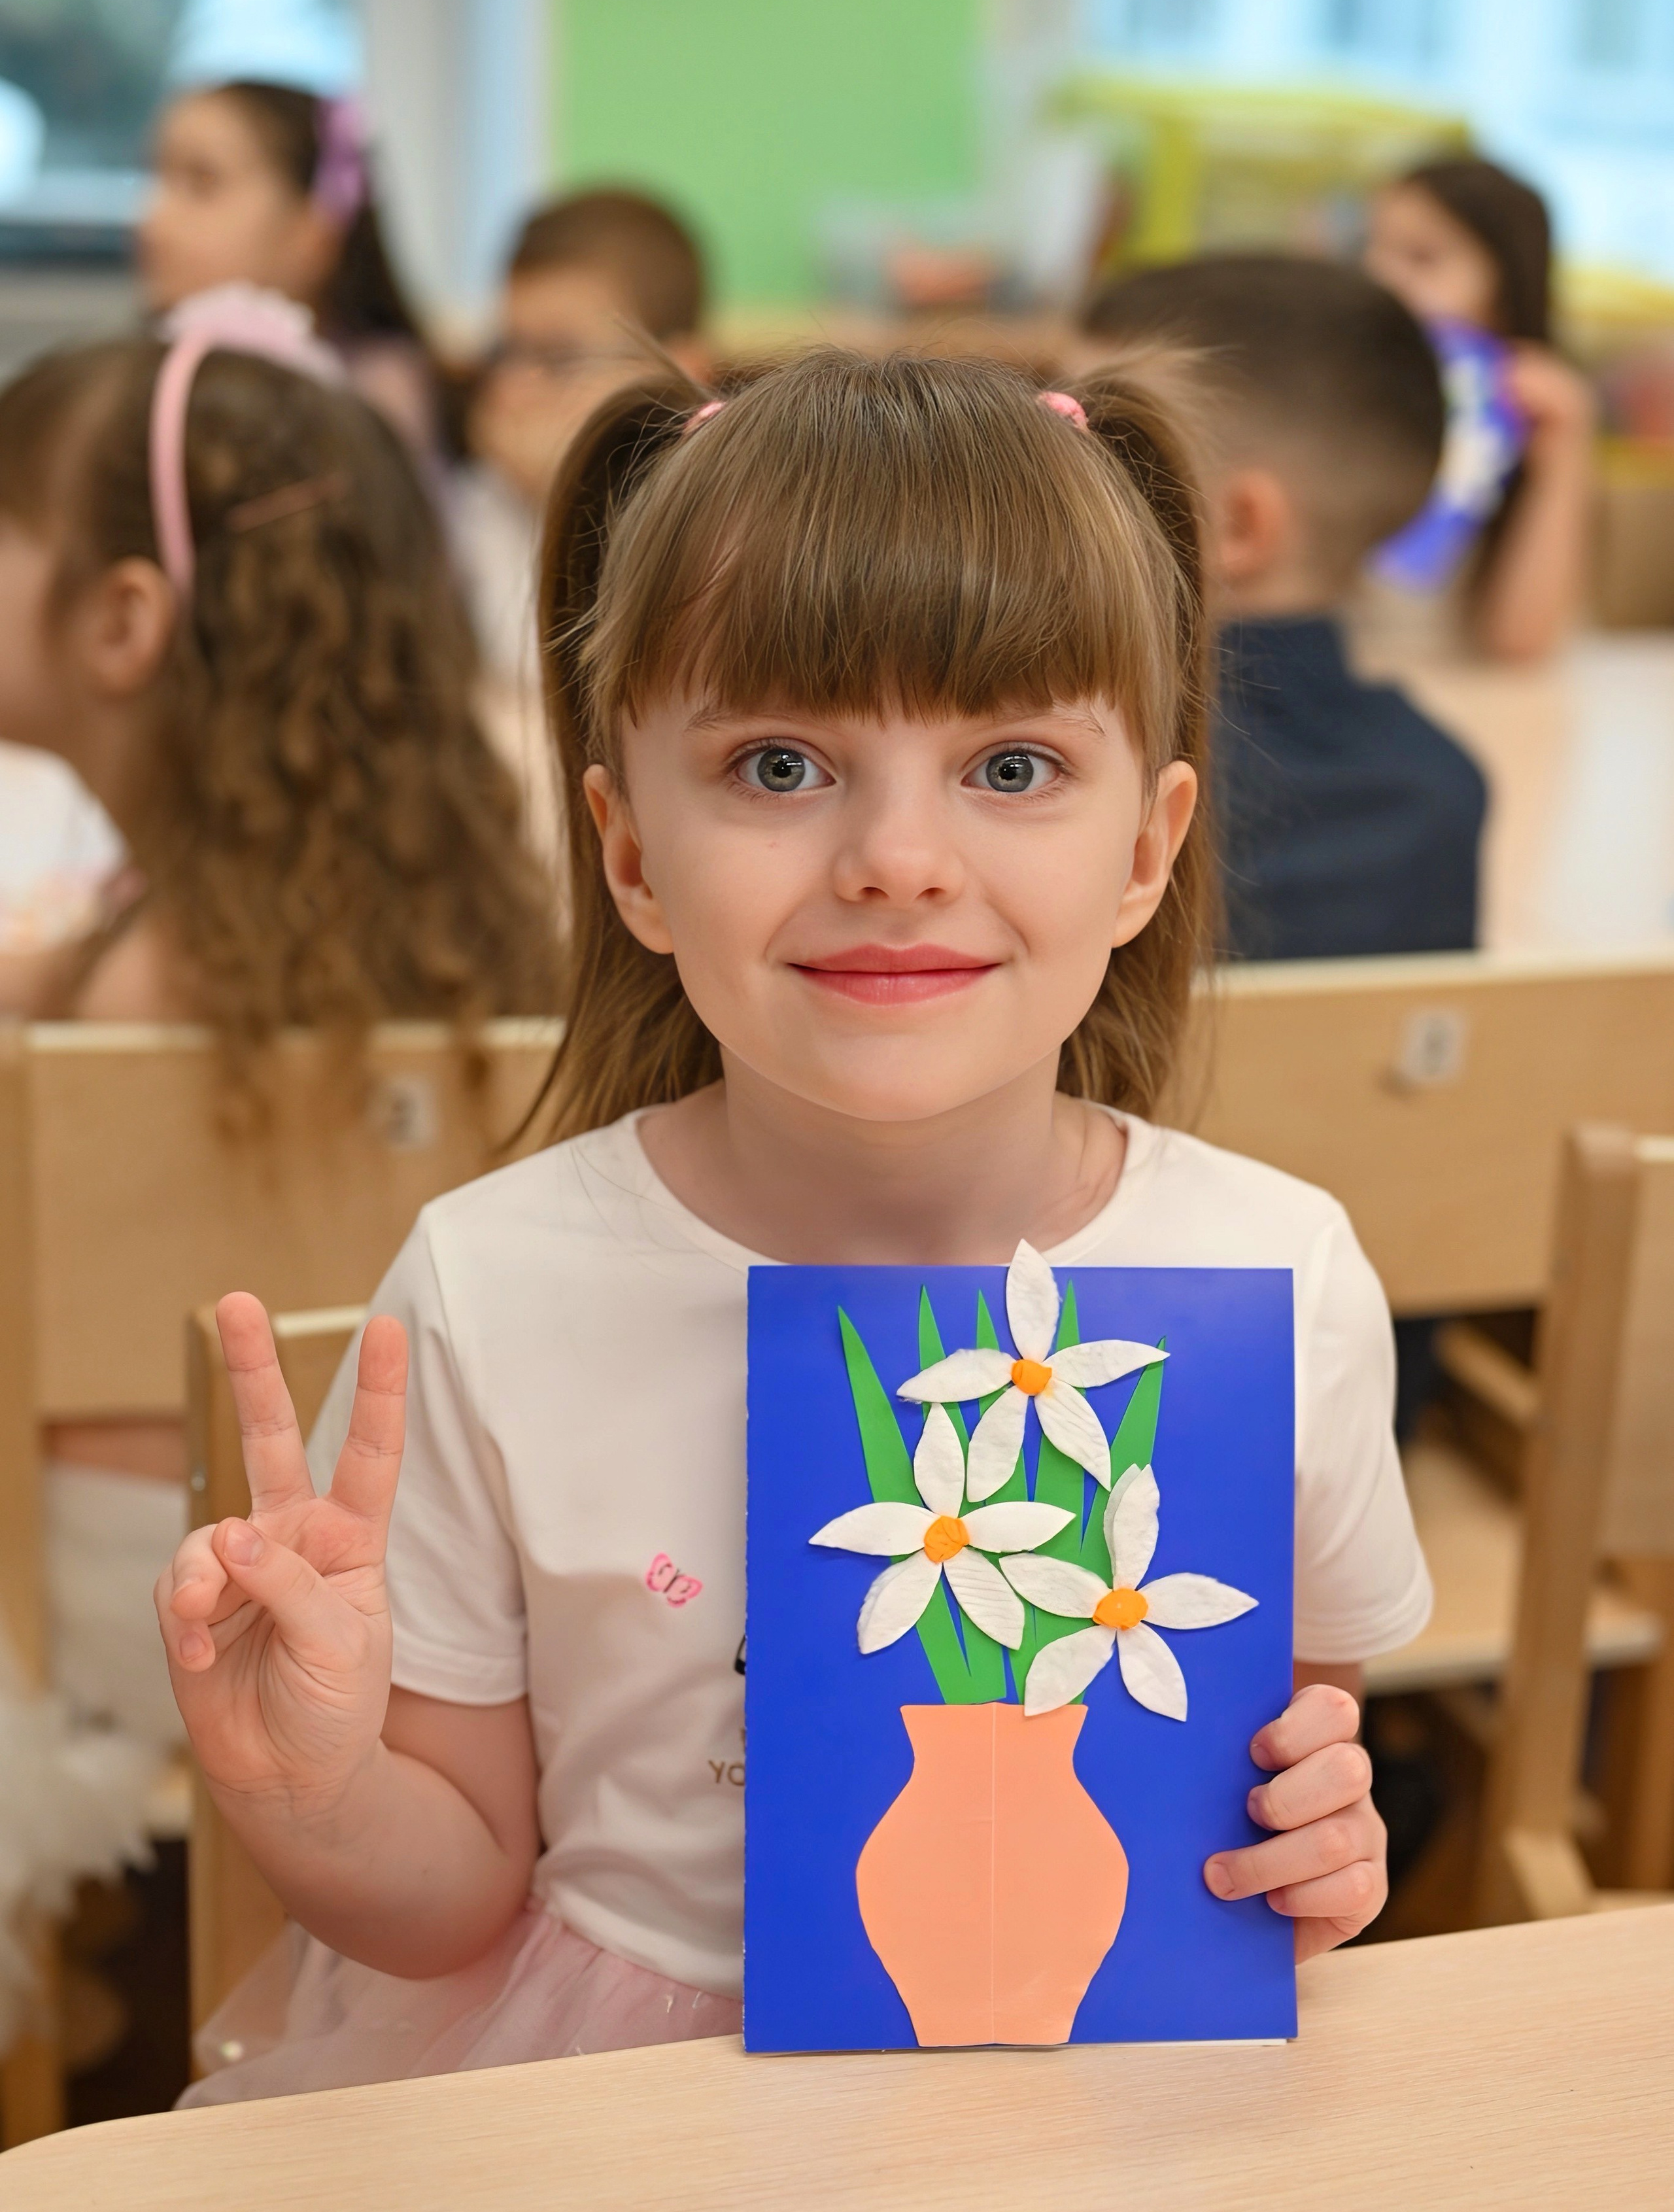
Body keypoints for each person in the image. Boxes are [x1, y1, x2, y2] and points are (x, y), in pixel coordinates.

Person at [157, 349, 1431, 2105]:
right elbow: (447, 1896)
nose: (897, 857)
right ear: (629, 853)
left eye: (1009, 765)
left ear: (1149, 844)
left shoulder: (1277, 1280)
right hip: (625, 2110)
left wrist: (1318, 1854)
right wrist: (308, 1788)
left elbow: (1274, 1774)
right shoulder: (497, 1283)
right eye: (777, 765)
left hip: (1093, 2095)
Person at [0, 288, 560, 1757]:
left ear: (123, 619)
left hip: (135, 1609)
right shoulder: (488, 947)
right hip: (435, 1615)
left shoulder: (112, 1001)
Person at [1084, 254, 1488, 963]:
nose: (1045, 478)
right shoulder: (1442, 789)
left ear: (1239, 527)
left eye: (1098, 445)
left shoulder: (1068, 782)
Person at [453, 189, 710, 856]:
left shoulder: (700, 520)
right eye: (504, 352)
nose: (513, 389)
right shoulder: (478, 509)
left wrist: (563, 493)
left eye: (559, 359)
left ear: (677, 370)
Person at [1363, 156, 1596, 664]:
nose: (1379, 276)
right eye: (1368, 247)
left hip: (1467, 700)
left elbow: (1520, 643)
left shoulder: (1529, 419)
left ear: (1504, 295)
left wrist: (1564, 457)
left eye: (1422, 258)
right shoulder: (1337, 396)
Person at [138, 80, 438, 464]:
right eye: (157, 177)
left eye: (202, 182)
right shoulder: (139, 383)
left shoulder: (376, 397)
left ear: (315, 232)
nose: (152, 220)